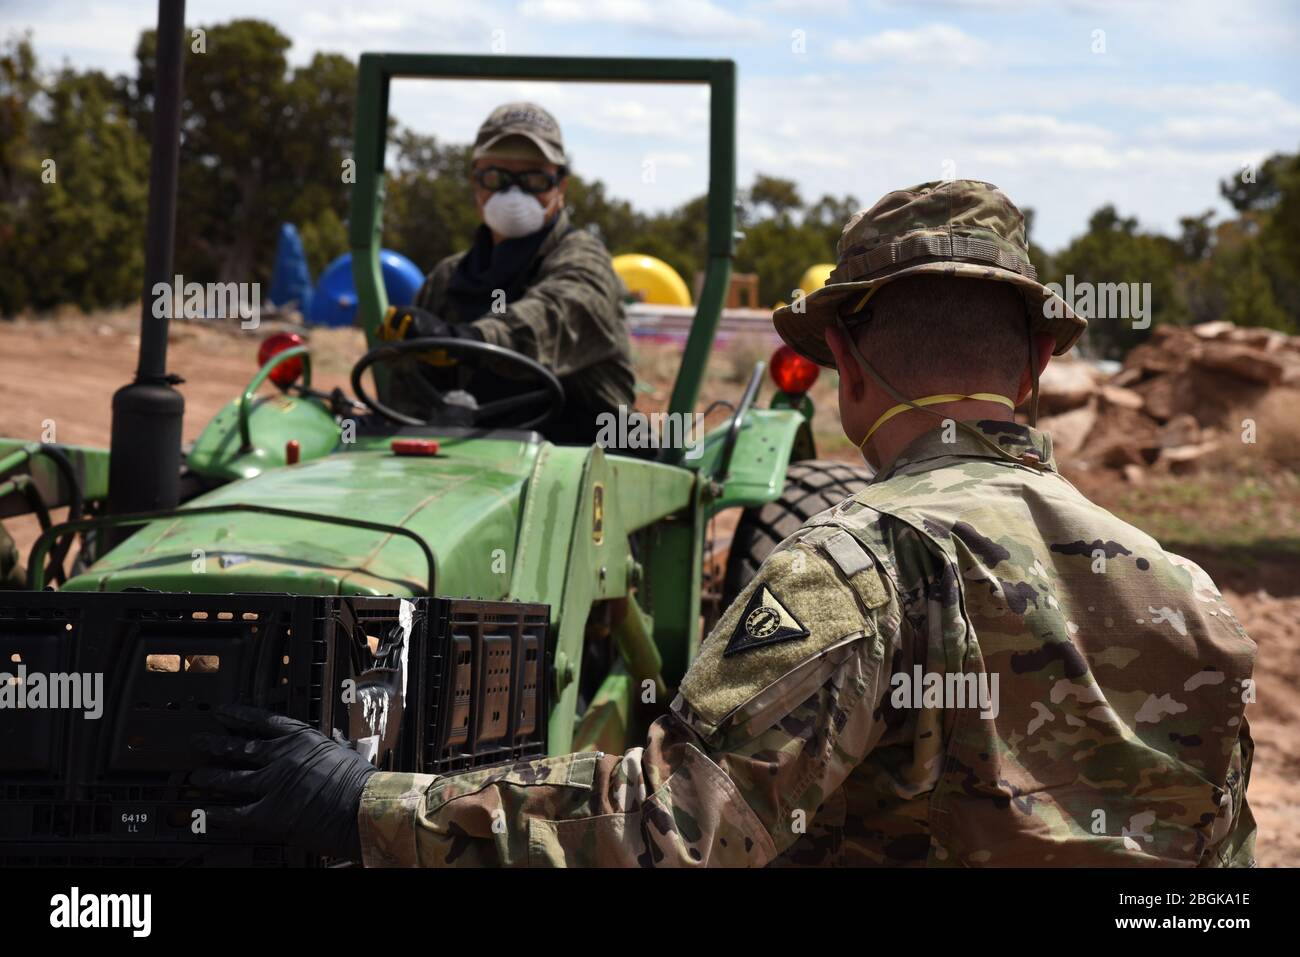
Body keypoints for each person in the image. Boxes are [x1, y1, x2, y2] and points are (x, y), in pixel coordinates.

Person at [194, 179, 1257, 867]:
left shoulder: (854, 566)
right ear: (1036, 365)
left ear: (844, 366)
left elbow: (667, 832)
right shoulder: (1190, 597)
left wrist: (365, 802)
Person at [379, 102, 635, 444]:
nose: (514, 193)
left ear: (561, 187)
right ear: (475, 181)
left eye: (533, 179)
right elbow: (409, 396)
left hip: (585, 466)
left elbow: (544, 322)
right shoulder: (447, 278)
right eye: (496, 177)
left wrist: (465, 341)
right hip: (465, 464)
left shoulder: (584, 262)